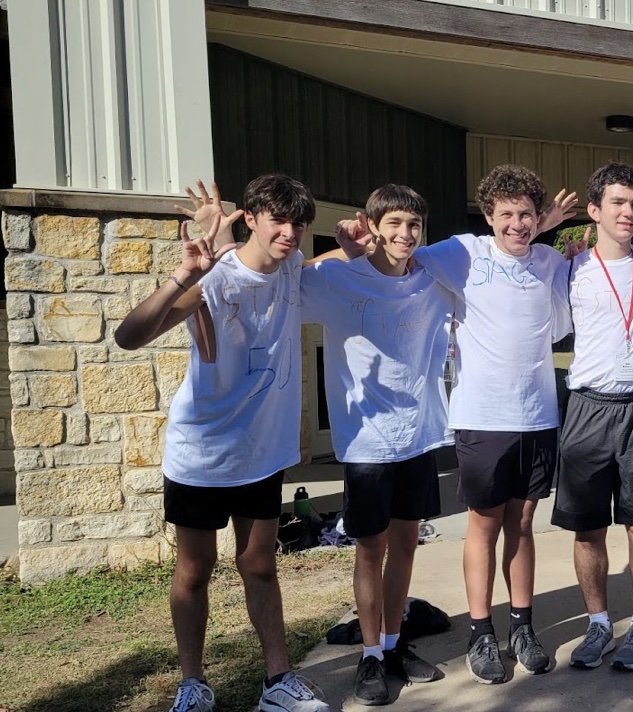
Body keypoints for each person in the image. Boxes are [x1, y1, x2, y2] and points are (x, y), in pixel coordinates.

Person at [337, 165, 576, 685]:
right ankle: (481, 632)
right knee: (484, 527)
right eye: (506, 214)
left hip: (538, 416)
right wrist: (354, 250)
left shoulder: (552, 262)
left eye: (527, 214)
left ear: (539, 217)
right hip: (482, 418)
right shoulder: (462, 253)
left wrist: (551, 230)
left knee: (522, 524)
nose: (517, 224)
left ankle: (522, 627)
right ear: (488, 215)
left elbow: (560, 325)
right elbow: (397, 255)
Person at [115, 176, 332, 712]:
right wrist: (183, 276)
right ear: (251, 218)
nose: (289, 233)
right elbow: (128, 336)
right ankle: (193, 684)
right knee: (195, 569)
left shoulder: (291, 271)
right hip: (203, 453)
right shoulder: (214, 278)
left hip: (262, 453)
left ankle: (278, 680)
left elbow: (326, 265)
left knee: (259, 564)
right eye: (278, 220)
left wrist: (355, 246)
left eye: (299, 223)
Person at [302, 185, 450, 705]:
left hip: (418, 435)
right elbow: (287, 281)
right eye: (394, 223)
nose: (405, 234)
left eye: (414, 224)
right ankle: (368, 655)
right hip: (366, 441)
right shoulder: (341, 276)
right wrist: (342, 252)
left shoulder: (431, 279)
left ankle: (392, 644)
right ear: (372, 225)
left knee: (406, 545)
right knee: (371, 549)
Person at [552, 163, 633, 672]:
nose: (628, 212)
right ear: (594, 210)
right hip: (587, 408)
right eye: (617, 203)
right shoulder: (569, 269)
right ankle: (599, 623)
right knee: (588, 529)